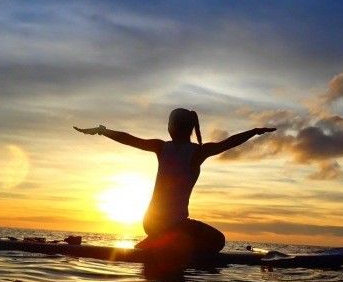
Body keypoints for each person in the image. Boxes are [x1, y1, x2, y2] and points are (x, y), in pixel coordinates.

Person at [75, 109, 275, 258]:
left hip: (151, 223)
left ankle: (157, 242)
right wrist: (254, 131)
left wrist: (102, 131)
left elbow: (130, 139)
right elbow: (228, 143)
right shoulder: (197, 152)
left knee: (185, 235)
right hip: (174, 226)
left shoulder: (161, 147)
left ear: (171, 127)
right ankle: (160, 245)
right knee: (218, 240)